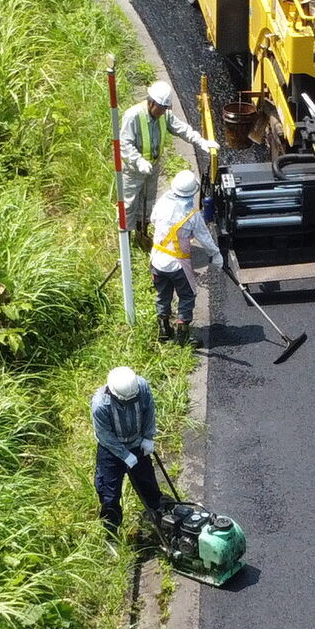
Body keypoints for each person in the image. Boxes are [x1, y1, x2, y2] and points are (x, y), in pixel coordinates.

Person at [117, 80, 216, 250]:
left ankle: (142, 234)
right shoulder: (133, 116)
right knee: (129, 203)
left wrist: (200, 141)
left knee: (148, 201)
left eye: (165, 108)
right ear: (151, 102)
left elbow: (181, 129)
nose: (163, 112)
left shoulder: (164, 115)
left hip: (153, 166)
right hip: (134, 170)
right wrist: (138, 161)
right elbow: (124, 144)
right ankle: (124, 242)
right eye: (161, 108)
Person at [90, 365, 164, 539]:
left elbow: (149, 411)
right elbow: (105, 435)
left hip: (138, 444)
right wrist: (124, 454)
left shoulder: (142, 386)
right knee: (109, 494)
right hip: (111, 451)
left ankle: (160, 518)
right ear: (113, 393)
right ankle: (111, 533)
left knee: (149, 485)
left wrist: (148, 437)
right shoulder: (100, 404)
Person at [149, 168, 219, 345]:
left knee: (162, 294)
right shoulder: (192, 216)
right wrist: (215, 255)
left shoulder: (163, 202)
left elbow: (153, 220)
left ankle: (164, 329)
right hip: (178, 265)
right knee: (187, 295)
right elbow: (205, 238)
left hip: (157, 261)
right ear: (192, 192)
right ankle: (183, 334)